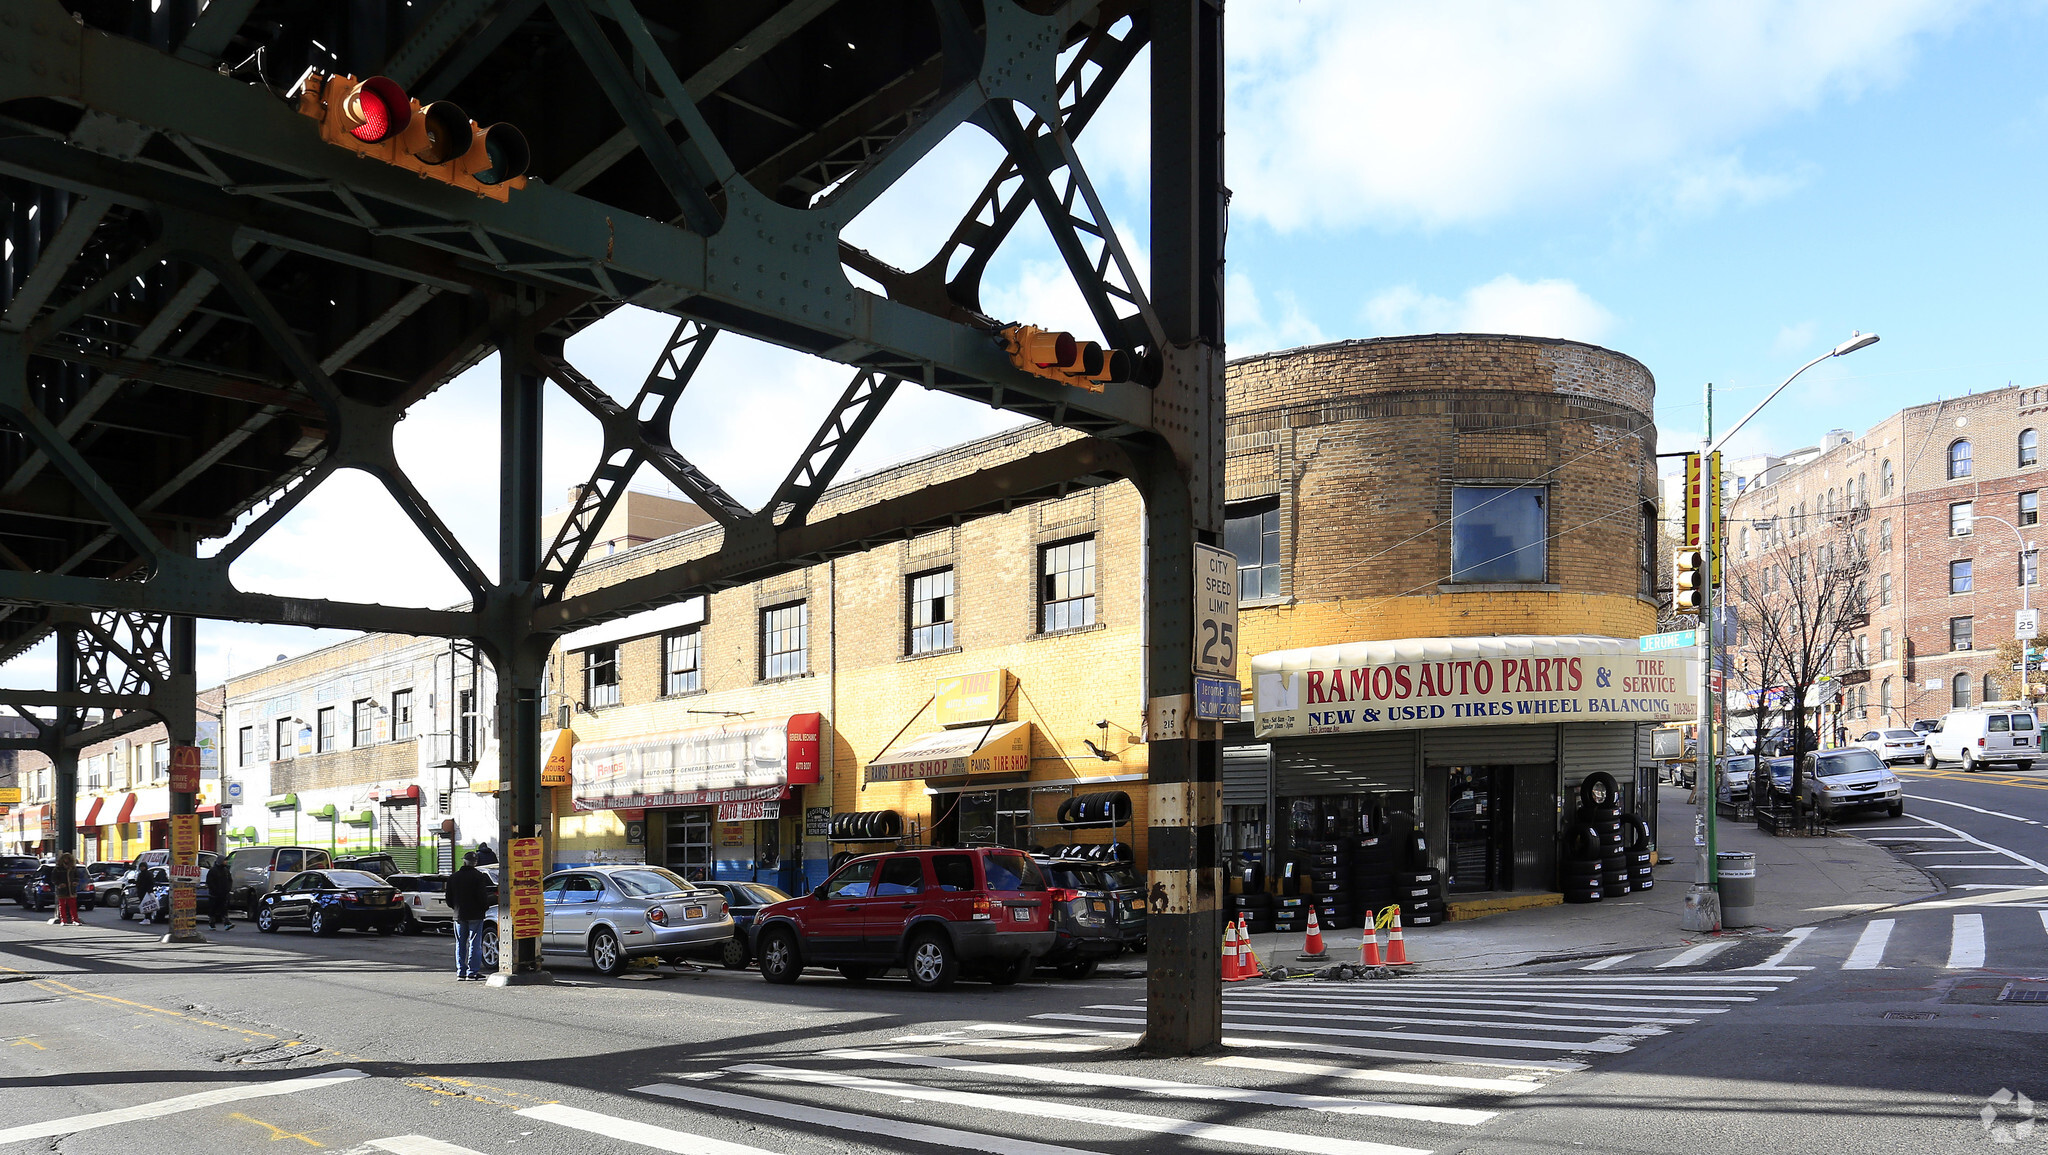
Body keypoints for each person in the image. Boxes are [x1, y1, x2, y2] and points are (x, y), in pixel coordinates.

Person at [445, 852, 492, 981]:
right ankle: (472, 972)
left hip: (459, 915)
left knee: (460, 943)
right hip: (476, 915)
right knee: (475, 943)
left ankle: (461, 971)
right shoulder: (478, 877)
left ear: (464, 861)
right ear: (475, 863)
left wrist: (455, 908)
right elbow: (483, 897)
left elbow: (448, 899)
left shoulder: (453, 877)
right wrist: (484, 907)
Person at [205, 857, 235, 931]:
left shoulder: (226, 870)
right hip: (214, 894)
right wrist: (215, 890)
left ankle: (227, 923)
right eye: (225, 860)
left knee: (224, 909)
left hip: (224, 894)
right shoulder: (213, 870)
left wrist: (228, 889)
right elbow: (210, 882)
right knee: (213, 909)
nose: (226, 862)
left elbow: (230, 880)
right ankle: (212, 924)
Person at [52, 852, 79, 926]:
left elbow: (77, 877)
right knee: (62, 905)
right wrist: (59, 884)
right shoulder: (58, 869)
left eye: (68, 859)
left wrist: (75, 882)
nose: (66, 860)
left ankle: (75, 920)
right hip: (62, 890)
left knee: (73, 905)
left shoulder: (73, 868)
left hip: (71, 890)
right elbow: (54, 879)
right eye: (65, 859)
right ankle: (63, 920)